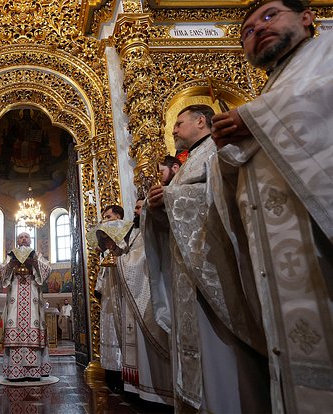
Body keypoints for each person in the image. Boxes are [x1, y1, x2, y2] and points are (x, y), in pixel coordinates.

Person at [211, 0, 333, 410]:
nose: (257, 30)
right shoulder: (272, 89)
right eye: (247, 30)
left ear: (307, 17)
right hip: (283, 253)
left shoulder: (327, 51)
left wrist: (257, 119)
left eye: (269, 16)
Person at [143, 105, 270, 412]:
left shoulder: (216, 149)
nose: (173, 130)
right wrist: (157, 210)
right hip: (188, 270)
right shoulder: (190, 162)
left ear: (201, 121)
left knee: (222, 352)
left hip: (215, 267)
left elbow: (224, 196)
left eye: (179, 123)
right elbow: (176, 218)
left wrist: (170, 198)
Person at [115, 198, 173, 404]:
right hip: (136, 290)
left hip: (149, 290)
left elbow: (146, 256)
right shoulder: (134, 234)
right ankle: (141, 388)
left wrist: (120, 260)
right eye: (137, 208)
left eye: (140, 207)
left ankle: (157, 391)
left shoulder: (148, 230)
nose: (138, 212)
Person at [0, 232, 52, 381]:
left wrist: (33, 262)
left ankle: (35, 371)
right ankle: (14, 371)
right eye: (21, 237)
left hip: (33, 293)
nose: (23, 239)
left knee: (34, 324)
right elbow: (1, 272)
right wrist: (11, 265)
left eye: (26, 237)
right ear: (17, 240)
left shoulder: (37, 255)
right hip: (15, 295)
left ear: (30, 240)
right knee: (14, 324)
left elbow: (48, 270)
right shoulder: (11, 255)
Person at [93, 205, 128, 391]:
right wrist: (98, 288)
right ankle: (111, 374)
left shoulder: (126, 232)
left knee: (120, 330)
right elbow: (104, 269)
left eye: (108, 216)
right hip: (108, 292)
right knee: (109, 330)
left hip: (122, 291)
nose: (105, 220)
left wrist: (115, 247)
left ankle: (124, 374)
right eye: (104, 217)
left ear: (119, 216)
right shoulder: (107, 243)